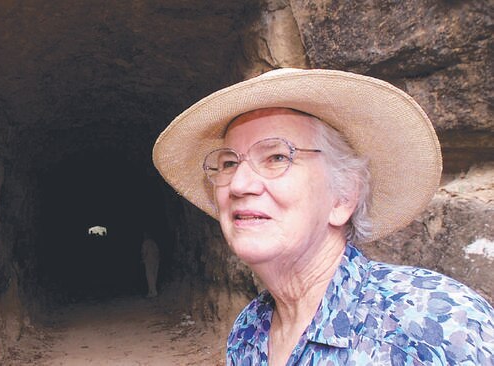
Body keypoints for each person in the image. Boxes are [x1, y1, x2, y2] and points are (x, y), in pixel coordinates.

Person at [152, 68, 494, 365]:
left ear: (343, 195)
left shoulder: (435, 322)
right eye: (228, 163)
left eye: (276, 157)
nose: (239, 184)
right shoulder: (248, 331)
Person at [141, 232, 160, 298]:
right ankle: (151, 291)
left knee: (149, 276)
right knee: (154, 276)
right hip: (156, 261)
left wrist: (143, 259)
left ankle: (154, 292)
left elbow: (144, 252)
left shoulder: (146, 243)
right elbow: (157, 251)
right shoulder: (154, 243)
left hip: (149, 261)